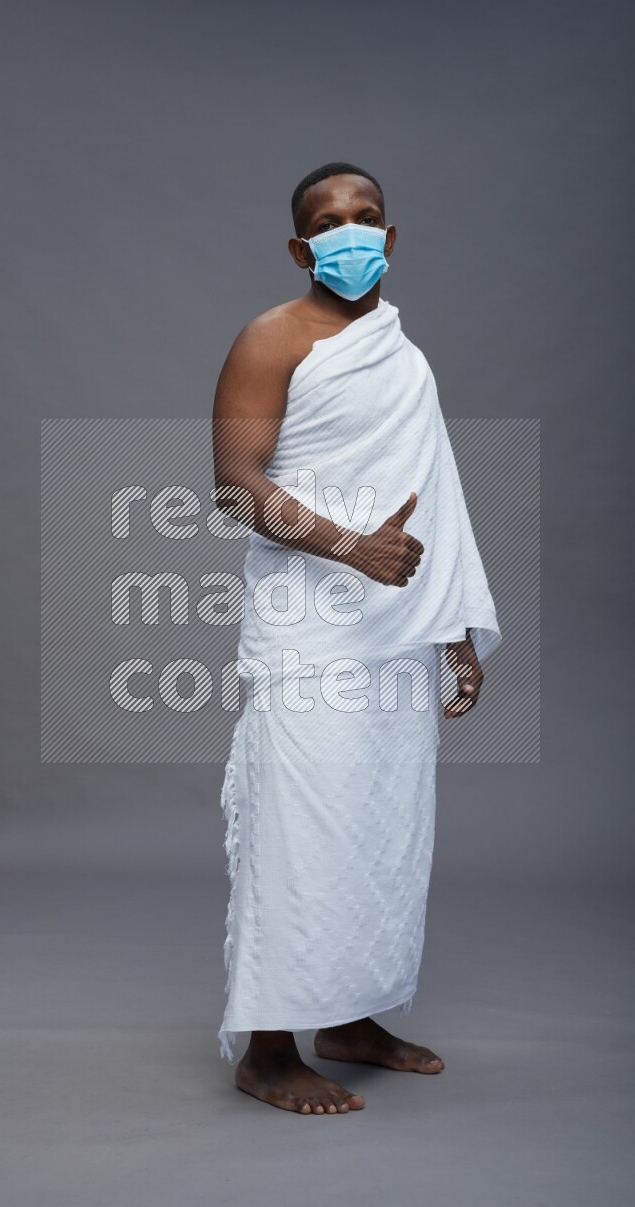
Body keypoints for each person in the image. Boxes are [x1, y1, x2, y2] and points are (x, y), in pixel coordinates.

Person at [211, 162, 501, 1115]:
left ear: (389, 234)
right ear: (299, 248)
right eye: (327, 222)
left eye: (366, 217)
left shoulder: (400, 354)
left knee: (384, 827)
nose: (349, 231)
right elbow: (238, 482)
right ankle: (267, 1045)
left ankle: (352, 1016)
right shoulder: (273, 339)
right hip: (310, 627)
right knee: (303, 828)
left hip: (397, 624)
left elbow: (438, 496)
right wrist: (350, 548)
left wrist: (452, 624)